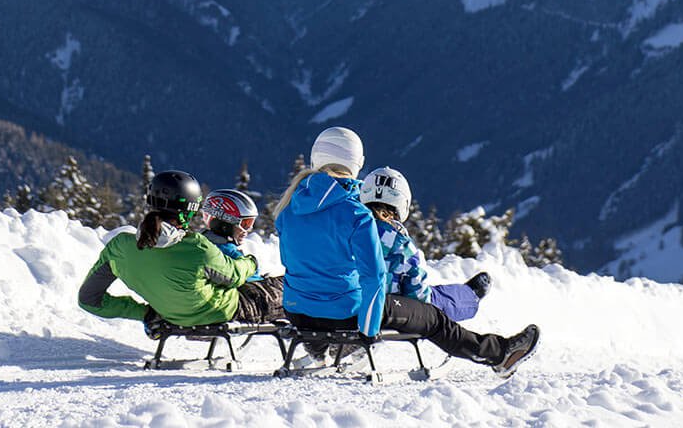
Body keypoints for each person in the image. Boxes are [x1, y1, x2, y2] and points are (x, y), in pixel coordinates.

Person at [275, 127, 540, 375]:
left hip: (299, 313)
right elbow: (374, 278)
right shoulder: (357, 214)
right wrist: (368, 331)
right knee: (433, 318)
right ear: (357, 163)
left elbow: (294, 264)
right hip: (346, 315)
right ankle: (499, 354)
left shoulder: (287, 210)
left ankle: (319, 351)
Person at [77, 170, 284, 332]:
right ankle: (314, 342)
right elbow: (235, 276)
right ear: (190, 210)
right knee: (291, 288)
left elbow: (88, 299)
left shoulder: (120, 247)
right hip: (224, 314)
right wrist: (251, 263)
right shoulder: (198, 248)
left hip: (167, 317)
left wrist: (147, 313)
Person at [359, 166, 492, 321]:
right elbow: (418, 295)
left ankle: (467, 293)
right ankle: (470, 296)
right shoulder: (400, 243)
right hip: (389, 311)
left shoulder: (346, 231)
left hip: (346, 304)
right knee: (438, 299)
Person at [200, 188, 265, 282]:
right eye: (245, 224)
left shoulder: (198, 243)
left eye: (250, 223)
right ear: (225, 224)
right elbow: (254, 282)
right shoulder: (230, 255)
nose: (248, 230)